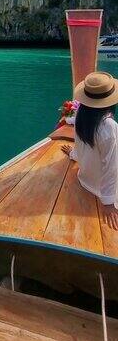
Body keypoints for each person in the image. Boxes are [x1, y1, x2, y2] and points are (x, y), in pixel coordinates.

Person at [62, 71, 118, 230]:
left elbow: (82, 146)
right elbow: (112, 167)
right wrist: (109, 204)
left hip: (85, 180)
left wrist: (73, 154)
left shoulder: (81, 114)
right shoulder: (109, 127)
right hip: (105, 191)